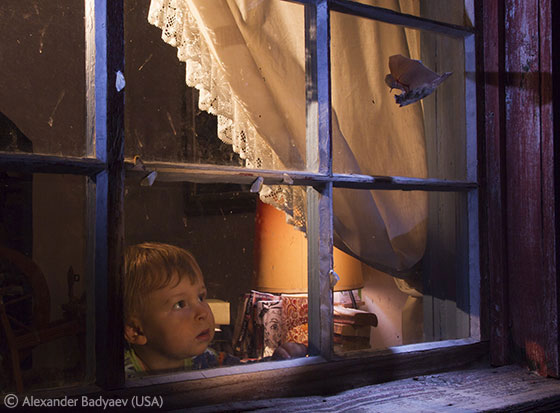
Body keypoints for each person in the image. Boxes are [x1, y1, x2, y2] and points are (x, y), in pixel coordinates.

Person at [123, 242, 306, 377]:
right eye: (180, 304)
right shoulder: (122, 379)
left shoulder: (206, 359)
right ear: (136, 330)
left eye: (201, 297)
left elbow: (246, 377)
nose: (203, 312)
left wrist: (281, 359)